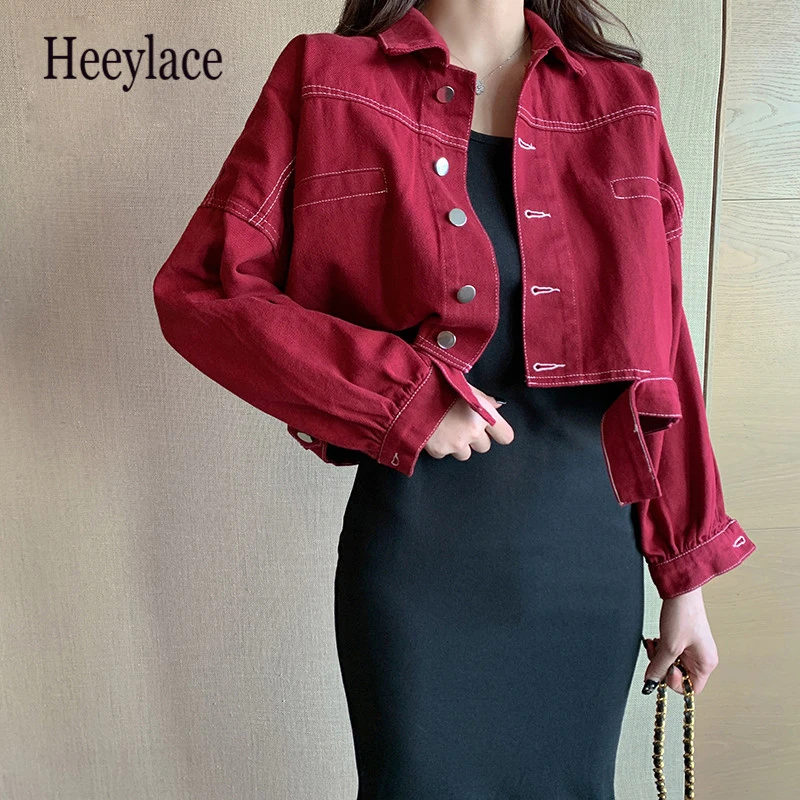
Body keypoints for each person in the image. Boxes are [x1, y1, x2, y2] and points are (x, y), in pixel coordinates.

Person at [153, 1, 756, 796]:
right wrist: (400, 396)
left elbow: (662, 350)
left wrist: (684, 577)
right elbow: (204, 290)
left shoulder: (622, 103)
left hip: (586, 566)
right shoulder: (328, 81)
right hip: (418, 565)